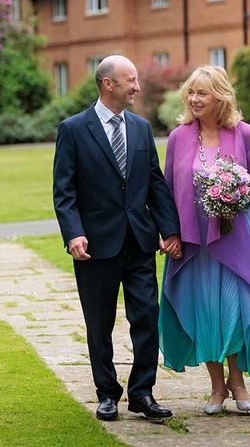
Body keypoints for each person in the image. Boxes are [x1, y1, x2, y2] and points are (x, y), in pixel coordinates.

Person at [53, 55, 183, 421]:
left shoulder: (141, 129)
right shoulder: (73, 129)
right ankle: (107, 393)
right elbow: (64, 192)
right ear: (108, 83)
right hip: (94, 246)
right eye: (131, 80)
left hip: (139, 241)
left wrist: (169, 230)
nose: (137, 87)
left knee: (146, 317)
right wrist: (73, 233)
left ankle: (142, 393)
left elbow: (155, 183)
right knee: (99, 322)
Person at [158, 65, 250, 415]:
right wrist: (169, 234)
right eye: (191, 93)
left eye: (202, 93)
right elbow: (166, 189)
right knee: (204, 310)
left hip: (232, 236)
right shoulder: (178, 137)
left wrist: (234, 193)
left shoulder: (244, 133)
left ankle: (237, 382)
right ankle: (216, 387)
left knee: (235, 308)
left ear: (220, 97)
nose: (194, 99)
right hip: (193, 242)